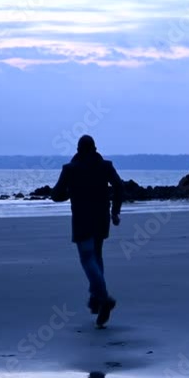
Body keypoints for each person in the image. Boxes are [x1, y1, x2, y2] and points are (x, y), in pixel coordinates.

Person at [51, 134, 124, 326]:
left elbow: (56, 195)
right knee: (96, 256)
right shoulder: (105, 166)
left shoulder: (70, 169)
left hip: (82, 219)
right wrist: (115, 212)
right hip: (101, 217)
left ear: (78, 150)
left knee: (87, 258)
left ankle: (104, 298)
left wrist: (69, 193)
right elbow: (119, 186)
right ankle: (95, 298)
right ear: (95, 148)